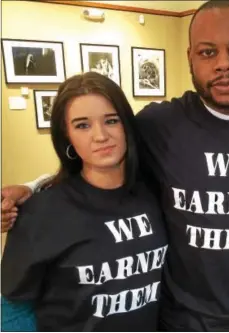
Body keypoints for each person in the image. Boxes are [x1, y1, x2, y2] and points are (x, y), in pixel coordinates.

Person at [1, 0, 229, 330]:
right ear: (190, 56)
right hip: (175, 322)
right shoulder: (158, 125)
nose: (223, 64)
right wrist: (33, 188)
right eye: (208, 53)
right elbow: (104, 160)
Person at [1, 72, 168, 331]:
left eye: (111, 121)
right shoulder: (40, 213)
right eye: (82, 125)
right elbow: (12, 311)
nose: (100, 136)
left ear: (126, 125)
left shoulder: (155, 194)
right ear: (66, 135)